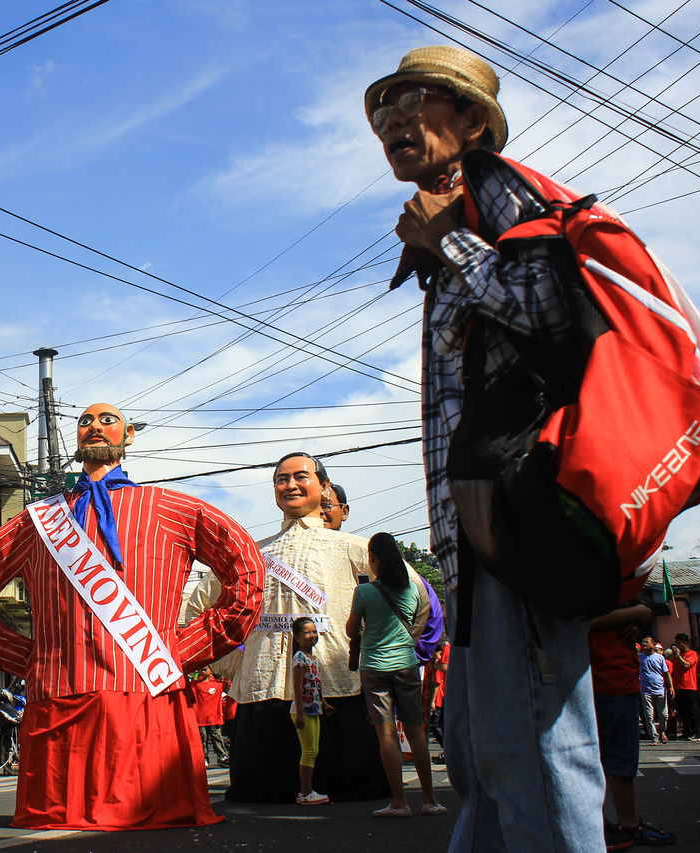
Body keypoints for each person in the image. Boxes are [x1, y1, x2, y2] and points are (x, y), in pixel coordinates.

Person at [371, 45, 604, 849]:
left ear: (473, 122)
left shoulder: (499, 194)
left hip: (519, 522)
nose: (394, 119)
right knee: (481, 760)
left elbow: (550, 309)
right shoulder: (451, 215)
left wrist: (452, 245)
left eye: (417, 100)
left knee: (537, 752)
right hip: (472, 538)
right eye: (383, 109)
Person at [0, 401, 264, 831]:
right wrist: (30, 656)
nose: (94, 427)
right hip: (60, 693)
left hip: (146, 686)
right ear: (75, 438)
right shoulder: (36, 522)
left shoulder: (173, 509)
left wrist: (185, 647)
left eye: (107, 420)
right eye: (85, 421)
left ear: (129, 435)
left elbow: (245, 569)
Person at [185, 452, 431, 803]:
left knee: (354, 790)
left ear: (324, 486)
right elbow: (194, 608)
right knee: (263, 792)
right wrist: (227, 664)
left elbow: (414, 594)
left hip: (340, 684)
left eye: (301, 476)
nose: (290, 485)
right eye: (281, 479)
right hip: (264, 689)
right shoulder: (252, 554)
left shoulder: (352, 547)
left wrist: (388, 650)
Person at [345, 532, 444, 818]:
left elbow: (351, 630)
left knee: (386, 735)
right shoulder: (413, 590)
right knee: (416, 731)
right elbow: (414, 622)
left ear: (374, 559)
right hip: (406, 665)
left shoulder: (364, 591)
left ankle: (399, 801)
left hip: (374, 668)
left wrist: (365, 625)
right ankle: (430, 800)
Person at [588, 602, 676, 849]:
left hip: (613, 675)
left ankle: (608, 825)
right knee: (618, 756)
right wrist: (637, 613)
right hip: (608, 677)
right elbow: (577, 616)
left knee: (609, 756)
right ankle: (623, 825)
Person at [290, 616, 332, 806]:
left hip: (313, 709)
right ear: (296, 637)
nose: (312, 635)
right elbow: (298, 688)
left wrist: (323, 702)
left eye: (314, 631)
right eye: (306, 632)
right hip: (303, 710)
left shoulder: (313, 659)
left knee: (313, 750)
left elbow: (314, 685)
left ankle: (308, 790)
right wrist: (299, 712)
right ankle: (305, 792)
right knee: (308, 751)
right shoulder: (299, 658)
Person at [191, 665, 229, 767]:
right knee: (203, 739)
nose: (202, 672)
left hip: (214, 717)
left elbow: (227, 687)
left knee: (216, 737)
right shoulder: (194, 685)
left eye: (205, 670)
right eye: (200, 669)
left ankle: (221, 757)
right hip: (200, 718)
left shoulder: (217, 684)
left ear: (211, 671)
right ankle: (204, 758)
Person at [666, 634, 700, 740]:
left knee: (692, 711)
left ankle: (696, 732)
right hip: (678, 686)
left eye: (678, 643)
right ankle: (686, 732)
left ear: (685, 642)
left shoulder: (692, 654)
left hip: (689, 687)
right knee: (682, 712)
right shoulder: (676, 656)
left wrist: (678, 656)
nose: (677, 645)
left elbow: (686, 665)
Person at [639, 637, 671, 744]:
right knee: (649, 715)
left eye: (646, 642)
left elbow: (666, 673)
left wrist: (670, 687)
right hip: (645, 690)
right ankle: (654, 737)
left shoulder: (660, 658)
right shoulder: (640, 657)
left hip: (660, 689)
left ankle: (662, 731)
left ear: (653, 645)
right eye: (643, 642)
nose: (644, 644)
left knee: (664, 715)